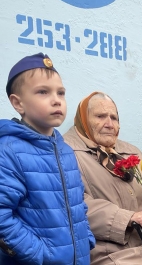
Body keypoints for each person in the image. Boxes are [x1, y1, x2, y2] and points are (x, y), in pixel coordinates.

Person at [63, 92, 142, 265]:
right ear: (83, 119)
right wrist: (128, 218)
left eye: (114, 118)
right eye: (100, 116)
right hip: (113, 255)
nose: (109, 124)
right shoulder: (66, 153)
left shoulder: (132, 151)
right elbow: (74, 205)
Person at [0, 53, 95, 264]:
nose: (56, 100)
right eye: (43, 92)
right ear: (18, 103)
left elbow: (78, 204)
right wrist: (41, 254)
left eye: (61, 93)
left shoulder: (65, 150)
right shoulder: (9, 151)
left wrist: (86, 239)